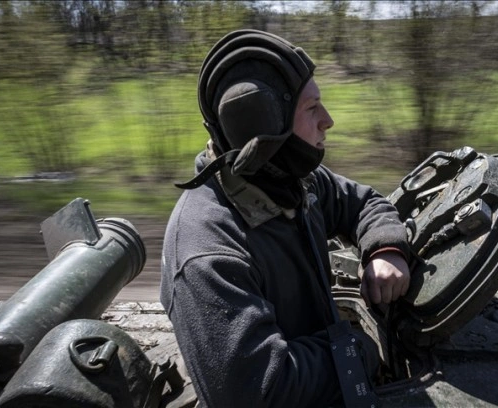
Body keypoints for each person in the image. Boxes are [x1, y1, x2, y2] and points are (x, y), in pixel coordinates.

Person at [160, 29, 411, 408]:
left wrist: (385, 248)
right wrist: (361, 348)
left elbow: (362, 202)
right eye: (312, 109)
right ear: (265, 131)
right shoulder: (208, 253)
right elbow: (260, 391)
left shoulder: (294, 181)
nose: (328, 121)